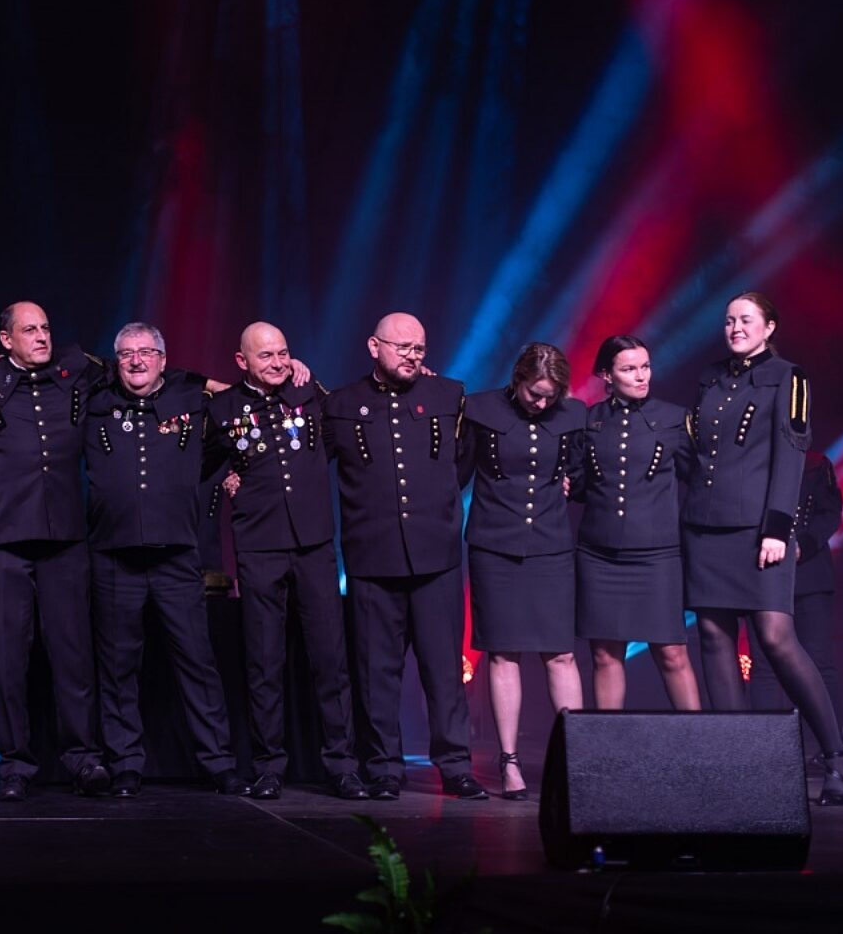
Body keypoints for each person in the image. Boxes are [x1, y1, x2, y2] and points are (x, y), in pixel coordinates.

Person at [683, 292, 843, 805]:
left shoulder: (788, 377)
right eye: (729, 320)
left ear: (769, 327)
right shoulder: (711, 378)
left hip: (759, 530)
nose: (735, 327)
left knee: (777, 639)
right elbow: (697, 453)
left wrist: (778, 529)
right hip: (706, 529)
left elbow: (791, 455)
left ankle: (836, 755)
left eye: (746, 319)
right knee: (713, 639)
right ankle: (740, 763)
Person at [323, 313, 487, 801]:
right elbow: (310, 465)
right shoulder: (341, 404)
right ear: (374, 346)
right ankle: (384, 768)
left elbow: (462, 464)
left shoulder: (449, 395)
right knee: (377, 674)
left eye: (419, 348)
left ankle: (455, 766)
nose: (413, 356)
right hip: (372, 558)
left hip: (435, 556)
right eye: (403, 347)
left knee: (444, 671)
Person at [83, 323, 249, 798]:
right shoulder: (94, 402)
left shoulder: (192, 399)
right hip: (114, 556)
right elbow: (73, 363)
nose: (136, 361)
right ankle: (125, 764)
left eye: (146, 352)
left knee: (197, 661)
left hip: (176, 555)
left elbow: (236, 420)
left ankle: (219, 763)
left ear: (163, 358)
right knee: (118, 666)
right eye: (126, 354)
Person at [208, 321, 366, 801]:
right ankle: (268, 766)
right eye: (266, 356)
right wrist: (226, 476)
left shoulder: (310, 393)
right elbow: (203, 462)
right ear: (242, 361)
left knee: (330, 659)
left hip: (314, 543)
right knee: (264, 661)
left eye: (282, 353)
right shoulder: (222, 408)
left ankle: (342, 765)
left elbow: (339, 437)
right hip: (259, 545)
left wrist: (307, 375)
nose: (277, 363)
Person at [0, 301, 108, 801]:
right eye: (30, 330)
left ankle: (83, 758)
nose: (42, 336)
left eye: (46, 327)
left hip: (64, 535)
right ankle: (15, 765)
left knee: (73, 654)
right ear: (6, 339)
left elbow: (141, 369)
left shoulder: (76, 367)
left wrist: (226, 387)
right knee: (7, 660)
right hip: (5, 537)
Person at [461, 342, 586, 801]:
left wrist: (574, 482)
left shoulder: (573, 415)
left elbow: (581, 472)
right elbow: (455, 471)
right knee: (504, 653)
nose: (541, 403)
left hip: (551, 546)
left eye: (550, 396)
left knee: (561, 654)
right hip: (495, 545)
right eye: (535, 394)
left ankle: (577, 756)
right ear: (518, 381)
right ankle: (509, 760)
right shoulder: (480, 410)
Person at [571, 336, 699, 711]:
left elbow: (698, 480)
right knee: (606, 655)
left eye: (645, 367)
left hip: (657, 555)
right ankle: (608, 744)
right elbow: (579, 485)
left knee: (672, 653)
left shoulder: (674, 418)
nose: (641, 376)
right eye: (629, 369)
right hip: (598, 555)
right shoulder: (588, 421)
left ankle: (699, 741)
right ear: (606, 375)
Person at [747, 451, 843, 751]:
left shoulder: (815, 463)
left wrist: (803, 545)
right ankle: (765, 748)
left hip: (809, 574)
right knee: (763, 665)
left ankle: (828, 746)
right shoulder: (752, 459)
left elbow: (829, 513)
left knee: (818, 661)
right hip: (763, 571)